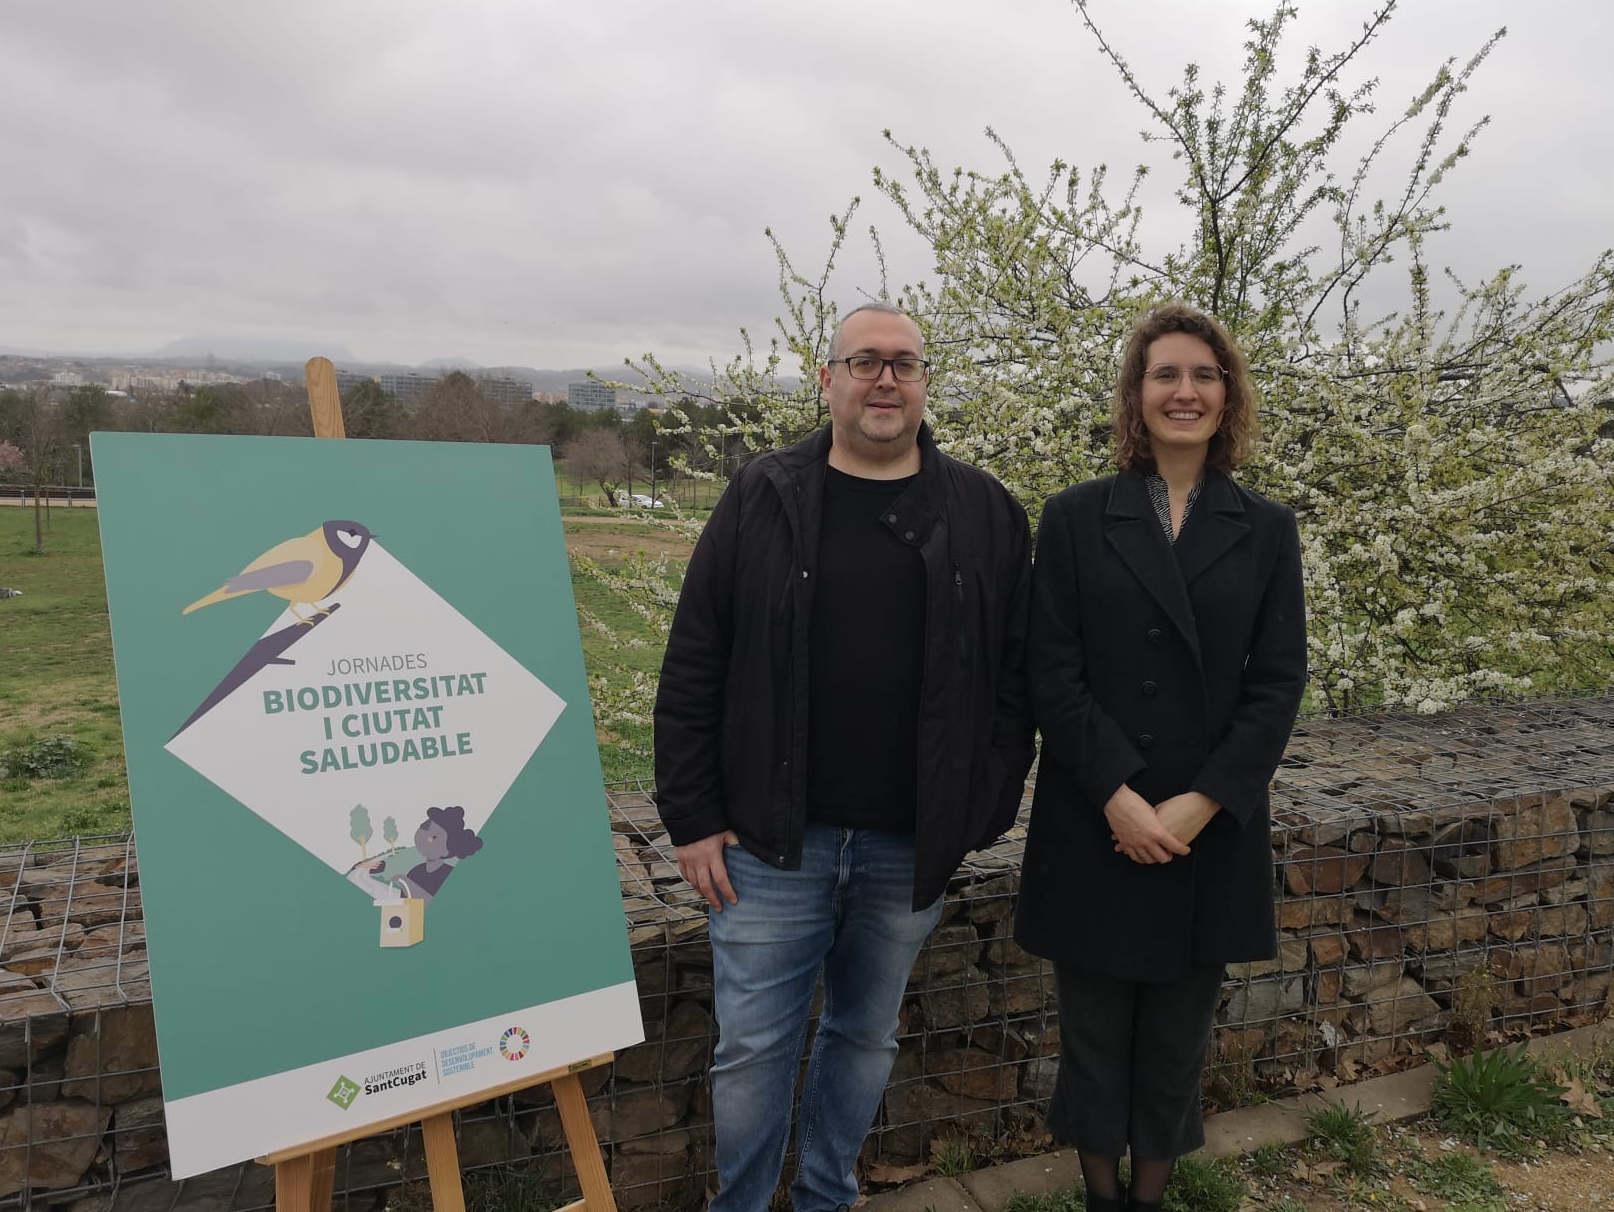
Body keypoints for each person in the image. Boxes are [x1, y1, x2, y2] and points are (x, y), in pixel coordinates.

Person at [654, 302, 1034, 1212]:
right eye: (864, 362)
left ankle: (828, 1197)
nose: (885, 379)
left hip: (910, 842)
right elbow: (697, 654)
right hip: (768, 839)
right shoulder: (765, 494)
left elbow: (1018, 677)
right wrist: (694, 815)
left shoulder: (983, 510)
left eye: (904, 364)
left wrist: (981, 806)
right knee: (751, 1049)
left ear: (924, 383)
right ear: (827, 379)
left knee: (865, 1038)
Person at [1013, 302, 1307, 1212]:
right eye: (1166, 376)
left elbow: (1278, 683)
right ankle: (1101, 1201)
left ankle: (1149, 1201)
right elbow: (1048, 673)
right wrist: (1119, 796)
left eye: (1204, 376)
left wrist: (1200, 802)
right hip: (1095, 820)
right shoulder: (1071, 518)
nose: (1185, 392)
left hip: (1204, 831)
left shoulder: (1265, 527)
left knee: (1177, 1039)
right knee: (1094, 1035)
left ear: (1228, 398)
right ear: (1136, 399)